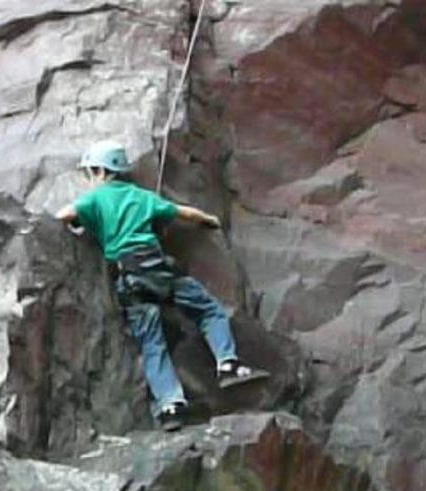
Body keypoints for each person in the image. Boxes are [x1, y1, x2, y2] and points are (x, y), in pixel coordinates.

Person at [55, 140, 268, 431]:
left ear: (100, 171)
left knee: (153, 344)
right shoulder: (141, 197)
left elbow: (64, 214)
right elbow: (184, 213)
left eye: (90, 173)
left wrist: (76, 224)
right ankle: (227, 364)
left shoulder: (95, 200)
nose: (90, 180)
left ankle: (171, 406)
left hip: (129, 279)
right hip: (160, 272)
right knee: (210, 311)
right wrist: (209, 220)